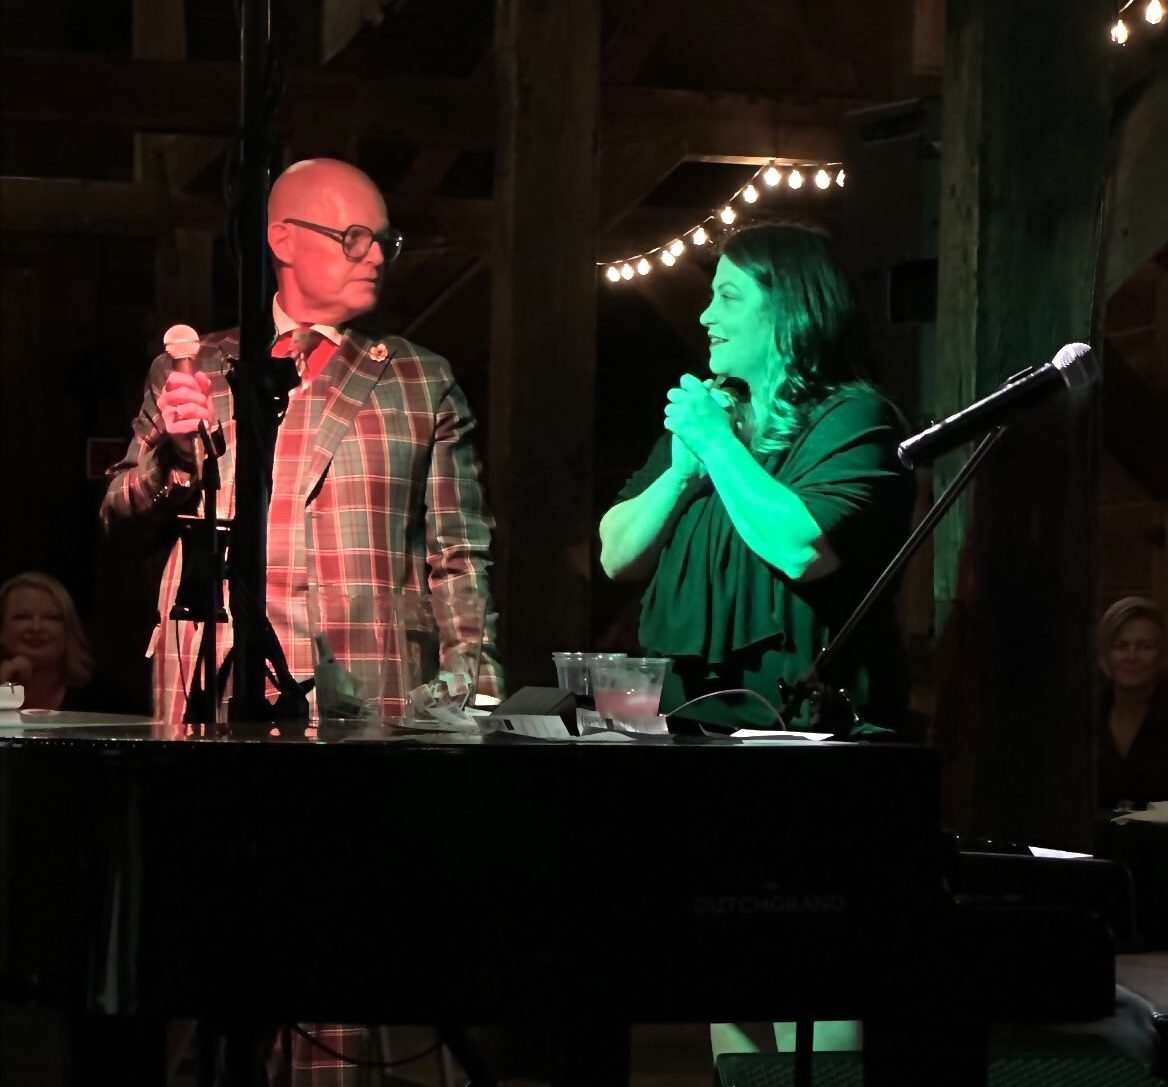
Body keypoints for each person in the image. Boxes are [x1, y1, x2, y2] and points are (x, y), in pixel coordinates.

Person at [101, 158, 503, 726]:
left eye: (385, 241)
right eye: (355, 238)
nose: (376, 256)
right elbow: (119, 520)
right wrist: (173, 456)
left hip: (368, 679)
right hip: (212, 677)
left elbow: (459, 554)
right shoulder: (197, 367)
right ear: (284, 240)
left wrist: (476, 693)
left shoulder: (419, 379)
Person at [599, 221, 915, 734]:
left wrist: (716, 445)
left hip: (807, 736)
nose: (706, 315)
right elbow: (616, 556)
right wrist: (681, 475)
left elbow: (802, 550)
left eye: (728, 297)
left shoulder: (854, 418)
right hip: (681, 726)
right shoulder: (715, 416)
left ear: (790, 309)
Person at [1096, 595, 1168, 811]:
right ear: (1106, 654)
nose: (1131, 656)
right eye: (1120, 646)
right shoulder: (1083, 719)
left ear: (1162, 655)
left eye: (1145, 646)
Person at [0, 571, 99, 711]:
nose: (36, 627)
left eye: (51, 618)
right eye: (22, 617)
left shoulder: (108, 697)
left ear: (68, 629)